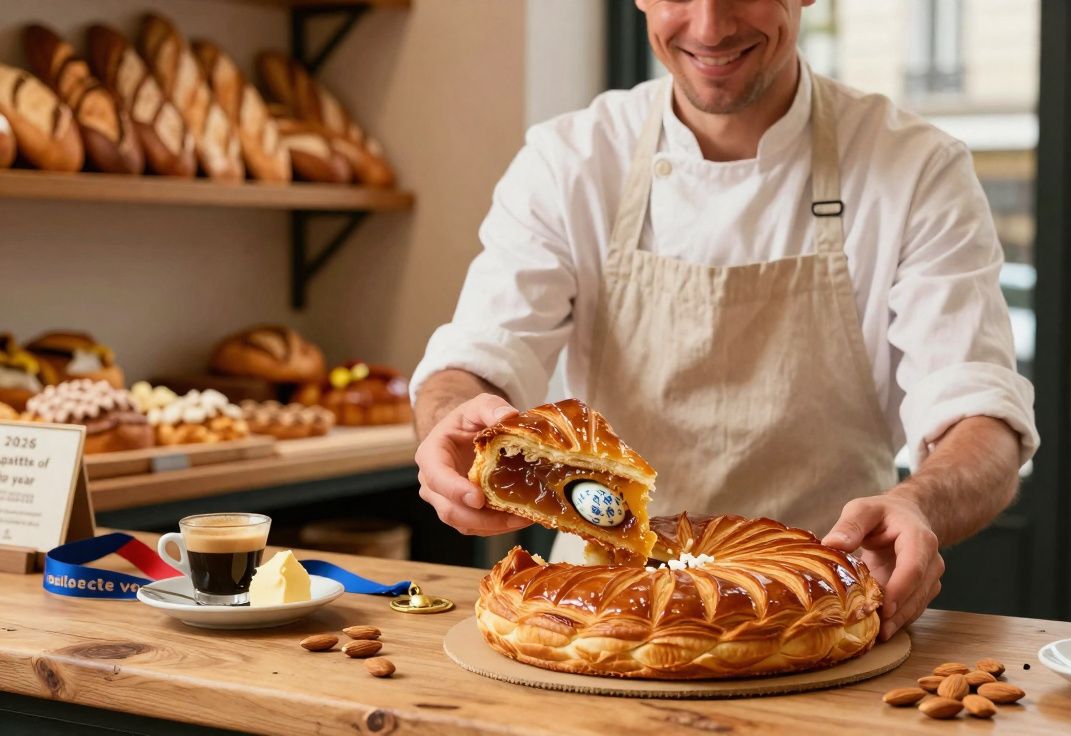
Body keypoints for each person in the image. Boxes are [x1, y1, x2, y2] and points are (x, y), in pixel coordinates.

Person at [411, 0, 1038, 641]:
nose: (709, 27)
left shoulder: (916, 168)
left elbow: (980, 416)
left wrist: (917, 503)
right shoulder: (568, 161)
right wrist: (450, 424)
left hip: (827, 607)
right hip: (599, 614)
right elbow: (479, 359)